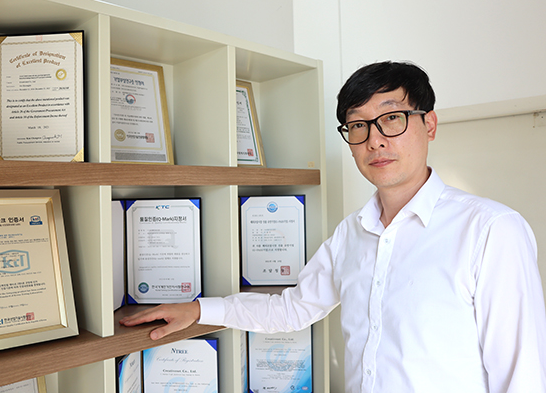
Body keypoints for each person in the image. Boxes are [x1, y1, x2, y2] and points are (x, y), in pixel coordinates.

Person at [120, 61, 546, 393]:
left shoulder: (491, 230)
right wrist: (198, 310)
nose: (375, 140)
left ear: (429, 124)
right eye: (358, 125)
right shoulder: (352, 233)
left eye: (392, 118)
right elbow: (292, 309)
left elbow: (522, 375)